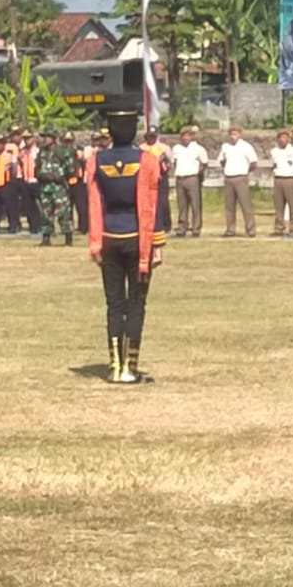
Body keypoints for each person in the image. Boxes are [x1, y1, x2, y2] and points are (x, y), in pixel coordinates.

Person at [88, 108, 165, 383]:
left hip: (109, 236)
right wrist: (157, 244)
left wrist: (94, 241)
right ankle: (131, 367)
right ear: (134, 130)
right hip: (138, 238)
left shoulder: (96, 160)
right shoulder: (147, 159)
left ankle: (115, 366)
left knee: (114, 304)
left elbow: (94, 201)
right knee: (136, 303)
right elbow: (155, 204)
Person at [34, 128, 76, 246]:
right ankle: (46, 238)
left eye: (47, 137)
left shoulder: (62, 152)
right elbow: (36, 168)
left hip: (58, 187)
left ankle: (68, 238)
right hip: (45, 186)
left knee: (63, 213)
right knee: (46, 214)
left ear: (53, 139)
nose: (45, 139)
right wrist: (42, 175)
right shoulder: (41, 152)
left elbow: (71, 169)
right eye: (44, 137)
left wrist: (59, 177)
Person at [218, 125, 259, 237]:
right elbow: (221, 160)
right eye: (231, 134)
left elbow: (254, 163)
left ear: (239, 134)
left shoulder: (246, 146)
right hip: (229, 178)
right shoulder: (225, 146)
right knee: (229, 206)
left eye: (235, 134)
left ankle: (250, 229)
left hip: (241, 177)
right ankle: (230, 229)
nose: (233, 136)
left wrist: (245, 171)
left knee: (246, 205)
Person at [169, 124, 208, 238]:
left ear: (191, 136)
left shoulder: (198, 148)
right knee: (182, 205)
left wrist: (198, 174)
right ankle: (182, 227)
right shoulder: (176, 148)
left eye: (188, 136)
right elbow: (174, 162)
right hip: (180, 178)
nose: (185, 138)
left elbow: (204, 163)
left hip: (192, 177)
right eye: (183, 136)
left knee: (195, 204)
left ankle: (196, 228)